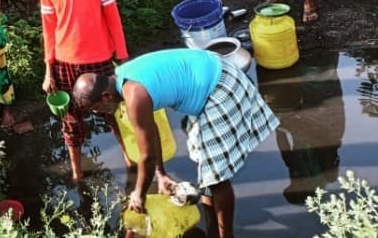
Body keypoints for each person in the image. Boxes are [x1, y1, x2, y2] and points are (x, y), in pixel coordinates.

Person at [72, 49, 279, 238]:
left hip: (220, 87)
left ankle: (226, 236)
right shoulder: (121, 79)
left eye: (96, 108)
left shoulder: (134, 94)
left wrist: (138, 194)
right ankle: (212, 226)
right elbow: (151, 134)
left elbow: (147, 156)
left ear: (106, 96)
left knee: (218, 178)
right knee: (208, 170)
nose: (97, 113)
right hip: (213, 74)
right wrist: (160, 174)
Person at [38, 0, 130, 183]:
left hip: (100, 60)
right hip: (65, 63)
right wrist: (49, 70)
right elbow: (48, 30)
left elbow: (113, 18)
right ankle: (77, 172)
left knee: (115, 112)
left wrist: (121, 58)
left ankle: (129, 156)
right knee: (71, 121)